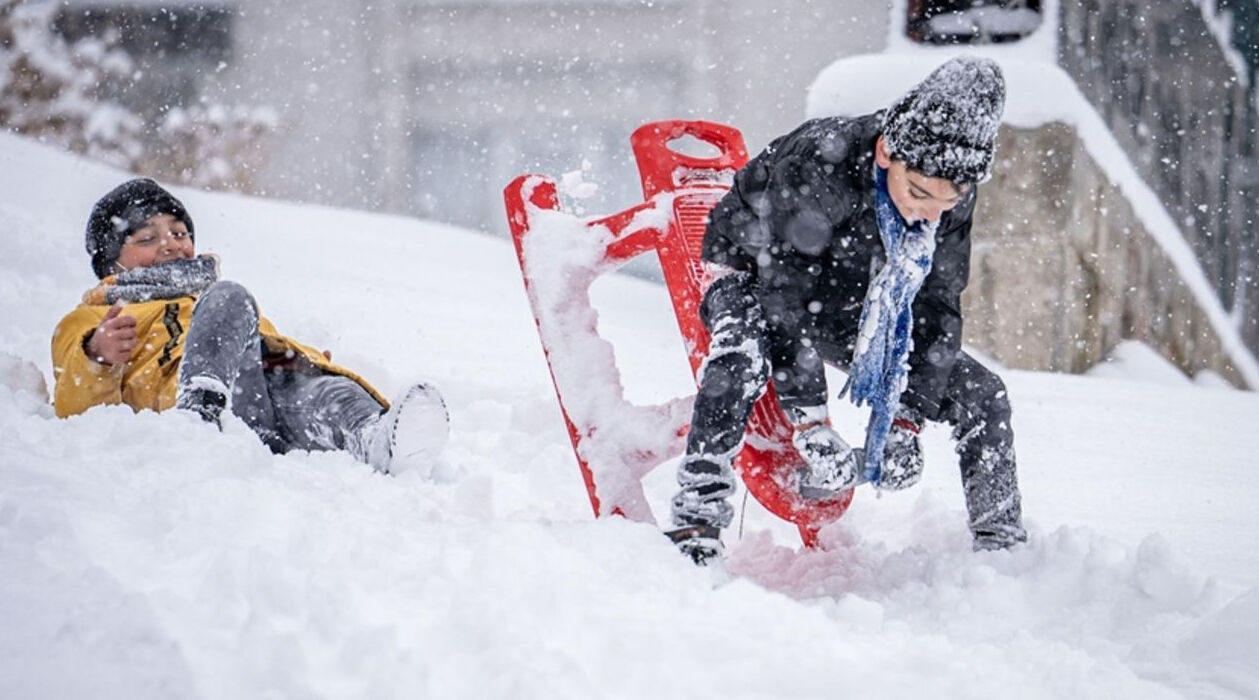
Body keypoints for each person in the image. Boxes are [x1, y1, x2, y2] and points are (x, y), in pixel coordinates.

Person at [665, 56, 1027, 564]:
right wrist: (810, 422)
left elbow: (938, 304)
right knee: (741, 355)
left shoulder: (949, 190)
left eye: (944, 203)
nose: (927, 213)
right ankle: (695, 522)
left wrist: (908, 417)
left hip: (853, 288)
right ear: (885, 152)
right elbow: (784, 296)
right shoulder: (822, 160)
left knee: (984, 395)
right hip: (753, 267)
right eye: (918, 192)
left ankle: (1003, 551)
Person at [51, 178, 449, 473]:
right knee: (230, 297)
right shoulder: (94, 316)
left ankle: (376, 439)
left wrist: (302, 359)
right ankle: (200, 412)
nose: (171, 244)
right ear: (111, 261)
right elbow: (73, 406)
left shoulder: (206, 299)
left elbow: (260, 339)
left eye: (179, 232)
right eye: (147, 237)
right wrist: (96, 356)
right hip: (197, 407)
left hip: (259, 401)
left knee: (326, 391)